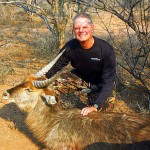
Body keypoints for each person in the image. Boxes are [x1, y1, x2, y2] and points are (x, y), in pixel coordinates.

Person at [45, 13, 116, 116]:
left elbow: (109, 82)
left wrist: (95, 106)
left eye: (85, 27)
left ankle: (94, 100)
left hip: (102, 83)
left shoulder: (105, 49)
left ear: (92, 28)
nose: (81, 31)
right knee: (52, 86)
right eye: (77, 28)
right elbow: (57, 65)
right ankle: (53, 115)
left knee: (100, 114)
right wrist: (43, 77)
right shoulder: (70, 47)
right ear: (74, 30)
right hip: (82, 78)